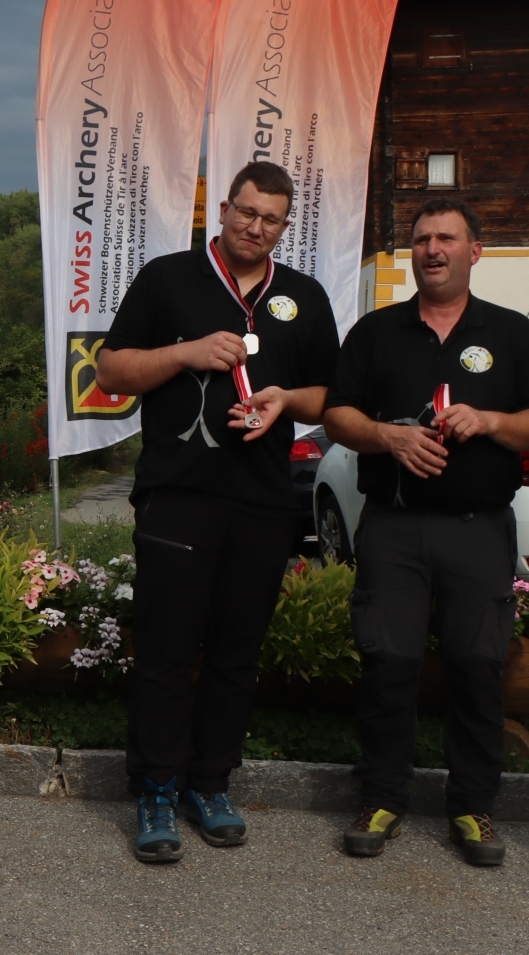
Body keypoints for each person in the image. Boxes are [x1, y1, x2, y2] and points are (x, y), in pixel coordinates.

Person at [93, 161, 339, 863]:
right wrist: (186, 352)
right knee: (168, 653)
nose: (256, 229)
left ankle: (211, 783)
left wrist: (287, 402)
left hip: (264, 500)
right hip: (179, 495)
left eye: (272, 220)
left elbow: (332, 398)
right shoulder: (169, 278)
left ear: (285, 226)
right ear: (224, 209)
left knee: (236, 655)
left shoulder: (303, 296)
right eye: (246, 213)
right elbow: (110, 372)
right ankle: (157, 789)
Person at [321, 198, 529, 866]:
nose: (432, 249)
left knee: (478, 668)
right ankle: (382, 796)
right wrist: (387, 437)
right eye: (422, 239)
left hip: (476, 528)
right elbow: (338, 418)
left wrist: (490, 423)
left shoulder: (511, 334)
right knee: (387, 663)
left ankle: (474, 807)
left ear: (474, 251)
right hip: (394, 528)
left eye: (446, 238)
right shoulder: (375, 333)